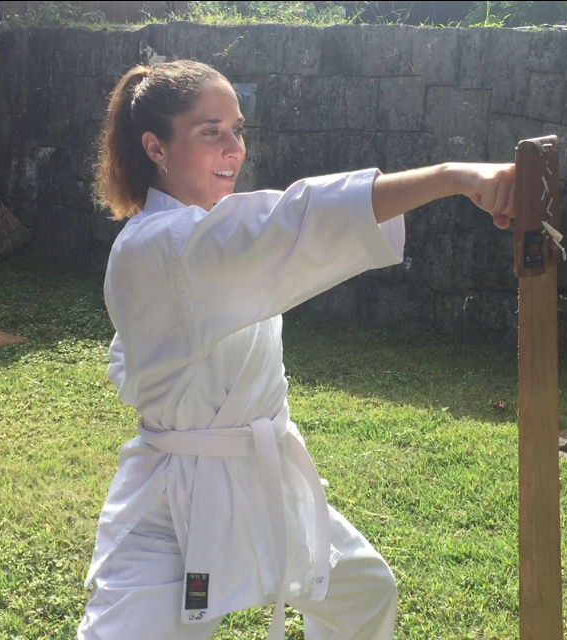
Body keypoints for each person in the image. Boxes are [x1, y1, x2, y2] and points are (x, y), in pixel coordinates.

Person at [77, 59, 517, 640]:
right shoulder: (161, 243)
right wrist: (452, 176)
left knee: (363, 593)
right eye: (210, 132)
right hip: (175, 503)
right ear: (156, 147)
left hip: (265, 482)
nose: (233, 148)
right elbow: (295, 221)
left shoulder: (205, 233)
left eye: (237, 129)